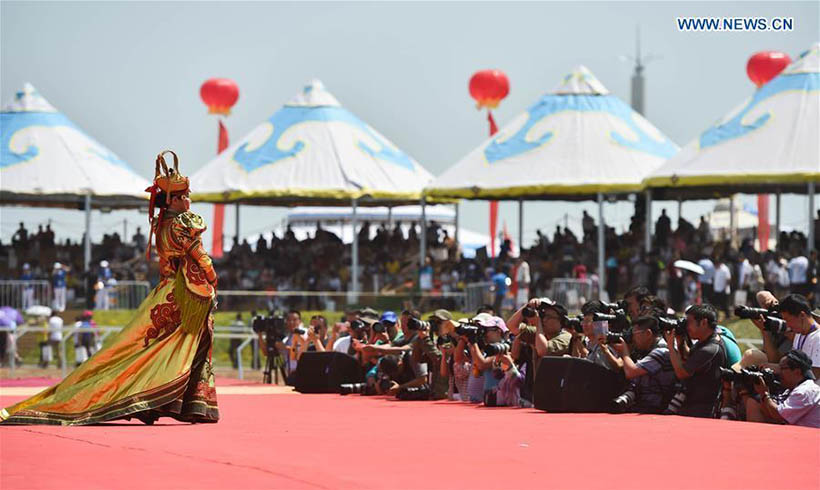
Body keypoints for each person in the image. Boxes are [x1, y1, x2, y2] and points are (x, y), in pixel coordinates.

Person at [2, 150, 219, 425]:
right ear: (174, 199)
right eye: (184, 195)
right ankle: (169, 401)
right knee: (175, 348)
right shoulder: (182, 224)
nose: (188, 200)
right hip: (183, 295)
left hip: (165, 292)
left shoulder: (161, 224)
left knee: (145, 348)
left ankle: (168, 402)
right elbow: (200, 257)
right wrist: (212, 276)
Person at [665, 304, 727, 418]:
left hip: (701, 409)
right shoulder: (704, 341)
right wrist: (680, 341)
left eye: (689, 322)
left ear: (703, 322)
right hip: (693, 403)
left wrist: (670, 345)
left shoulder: (710, 349)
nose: (686, 326)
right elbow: (689, 358)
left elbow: (681, 373)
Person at [611, 314, 677, 414]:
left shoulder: (662, 351)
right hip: (646, 406)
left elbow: (631, 372)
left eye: (634, 334)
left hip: (657, 407)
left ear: (648, 333)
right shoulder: (646, 351)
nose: (633, 339)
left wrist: (624, 352)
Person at [736, 350, 820, 428]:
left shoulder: (805, 391)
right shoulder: (792, 389)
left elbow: (779, 415)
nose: (778, 372)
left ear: (797, 372)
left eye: (782, 368)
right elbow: (769, 413)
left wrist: (764, 393)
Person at [777, 294, 820, 382]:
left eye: (788, 320)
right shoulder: (799, 334)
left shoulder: (818, 338)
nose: (787, 325)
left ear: (802, 315)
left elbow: (813, 376)